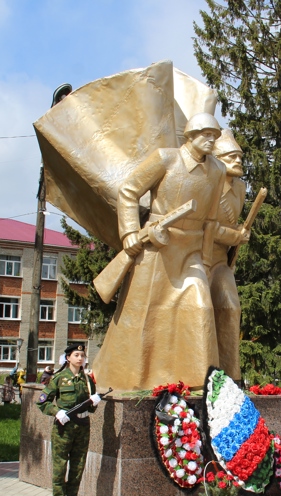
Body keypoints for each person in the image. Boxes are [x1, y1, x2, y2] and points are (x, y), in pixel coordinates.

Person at [91, 113, 226, 391]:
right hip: (157, 246)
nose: (212, 140)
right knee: (142, 316)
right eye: (206, 134)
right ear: (191, 135)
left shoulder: (218, 170)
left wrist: (207, 257)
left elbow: (211, 220)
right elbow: (128, 191)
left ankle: (199, 384)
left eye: (215, 135)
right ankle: (124, 378)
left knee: (201, 305)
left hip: (191, 251)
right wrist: (130, 232)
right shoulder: (166, 158)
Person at [37, 343, 101, 496]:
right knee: (60, 465)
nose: (80, 358)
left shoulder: (87, 380)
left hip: (82, 426)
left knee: (78, 464)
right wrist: (57, 412)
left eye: (82, 355)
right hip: (63, 427)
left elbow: (92, 409)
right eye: (76, 355)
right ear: (68, 358)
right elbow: (42, 402)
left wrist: (94, 403)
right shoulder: (58, 378)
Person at [207, 129, 251, 381]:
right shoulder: (207, 185)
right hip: (197, 259)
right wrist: (235, 235)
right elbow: (204, 226)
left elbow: (229, 225)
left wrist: (239, 233)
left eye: (240, 157)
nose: (238, 161)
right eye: (231, 157)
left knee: (231, 307)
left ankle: (231, 378)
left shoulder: (240, 187)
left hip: (222, 262)